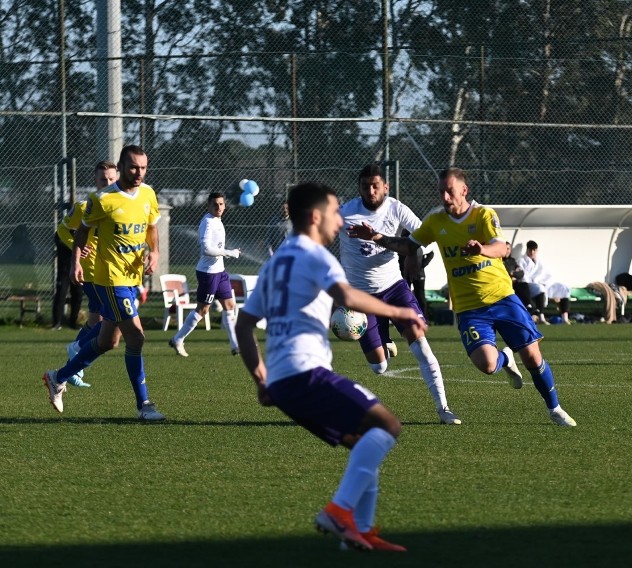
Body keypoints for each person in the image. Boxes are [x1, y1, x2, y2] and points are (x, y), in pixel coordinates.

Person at [235, 181, 421, 552]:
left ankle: (359, 532)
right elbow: (348, 296)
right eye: (335, 212)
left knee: (365, 442)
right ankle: (339, 512)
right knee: (388, 425)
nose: (340, 220)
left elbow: (243, 324)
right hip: (307, 373)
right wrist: (401, 310)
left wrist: (261, 381)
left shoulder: (275, 263)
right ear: (316, 216)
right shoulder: (317, 256)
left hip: (284, 382)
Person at [349, 167, 576, 427]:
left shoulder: (483, 215)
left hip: (502, 298)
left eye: (450, 192)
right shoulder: (436, 221)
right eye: (441, 192)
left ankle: (555, 408)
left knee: (534, 359)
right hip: (470, 309)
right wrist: (378, 237)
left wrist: (482, 249)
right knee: (487, 364)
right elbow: (409, 246)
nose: (445, 197)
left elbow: (502, 247)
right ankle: (505, 358)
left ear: (464, 191)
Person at [42, 144, 165, 421]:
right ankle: (144, 405)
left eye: (143, 167)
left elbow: (151, 227)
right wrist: (76, 260)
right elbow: (82, 230)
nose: (139, 173)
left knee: (108, 341)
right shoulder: (103, 200)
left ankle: (57, 377)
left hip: (132, 277)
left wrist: (154, 252)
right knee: (136, 337)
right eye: (134, 167)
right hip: (111, 278)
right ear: (121, 167)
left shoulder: (148, 194)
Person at [340, 163, 460, 425]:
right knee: (379, 367)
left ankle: (444, 409)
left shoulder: (397, 208)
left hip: (395, 289)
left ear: (386, 187)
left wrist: (413, 259)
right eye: (365, 186)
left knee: (421, 345)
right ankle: (385, 345)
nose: (370, 191)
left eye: (375, 186)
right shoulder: (344, 214)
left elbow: (421, 238)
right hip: (362, 298)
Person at [58, 160, 119, 388]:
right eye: (104, 179)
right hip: (93, 272)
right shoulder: (86, 206)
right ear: (95, 180)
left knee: (96, 321)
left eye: (112, 179)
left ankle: (75, 366)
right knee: (108, 322)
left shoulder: (120, 204)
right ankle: (76, 352)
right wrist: (77, 246)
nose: (108, 182)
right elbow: (62, 229)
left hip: (111, 271)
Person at [168, 191, 241, 357]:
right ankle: (178, 339)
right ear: (208, 206)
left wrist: (227, 254)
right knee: (203, 310)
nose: (219, 207)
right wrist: (230, 253)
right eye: (215, 204)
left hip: (220, 272)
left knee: (230, 306)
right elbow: (206, 249)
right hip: (208, 273)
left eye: (221, 204)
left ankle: (235, 346)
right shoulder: (207, 222)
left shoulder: (218, 220)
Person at [517, 240, 571, 324]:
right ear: (527, 250)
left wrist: (544, 283)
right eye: (530, 250)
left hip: (543, 283)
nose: (532, 252)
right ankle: (541, 317)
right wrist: (537, 282)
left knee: (563, 288)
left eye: (534, 250)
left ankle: (565, 317)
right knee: (540, 288)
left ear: (537, 250)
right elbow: (523, 276)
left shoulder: (539, 261)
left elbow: (546, 275)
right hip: (530, 285)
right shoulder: (521, 260)